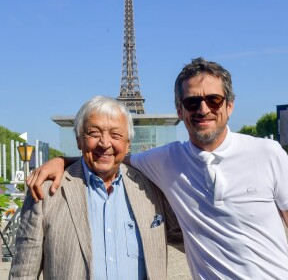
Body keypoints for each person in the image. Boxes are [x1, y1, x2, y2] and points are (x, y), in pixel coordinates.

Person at [27, 57, 288, 279]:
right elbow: (108, 156)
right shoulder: (165, 160)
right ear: (180, 111)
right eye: (192, 102)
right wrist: (63, 161)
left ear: (229, 105)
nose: (203, 109)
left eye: (213, 100)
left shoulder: (267, 152)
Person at [9, 96, 184, 280]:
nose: (104, 143)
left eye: (116, 135)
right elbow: (24, 272)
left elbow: (194, 239)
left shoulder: (152, 187)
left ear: (128, 143)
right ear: (79, 141)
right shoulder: (46, 191)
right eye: (93, 133)